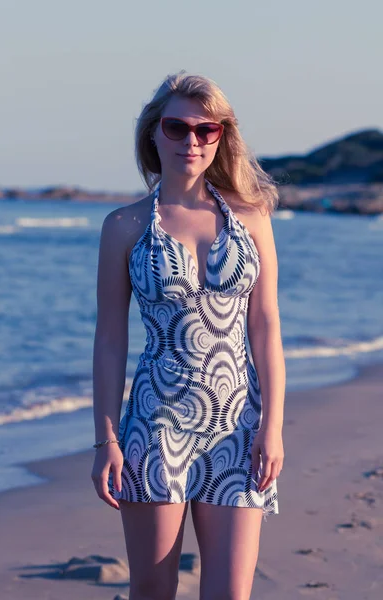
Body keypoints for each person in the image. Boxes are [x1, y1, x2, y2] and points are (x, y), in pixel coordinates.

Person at [91, 71, 286, 600]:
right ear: (154, 133)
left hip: (237, 427)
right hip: (156, 425)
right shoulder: (125, 226)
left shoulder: (251, 217)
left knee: (229, 594)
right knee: (153, 590)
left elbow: (266, 325)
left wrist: (273, 426)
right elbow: (110, 340)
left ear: (223, 137)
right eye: (177, 128)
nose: (192, 141)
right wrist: (105, 439)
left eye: (207, 130)